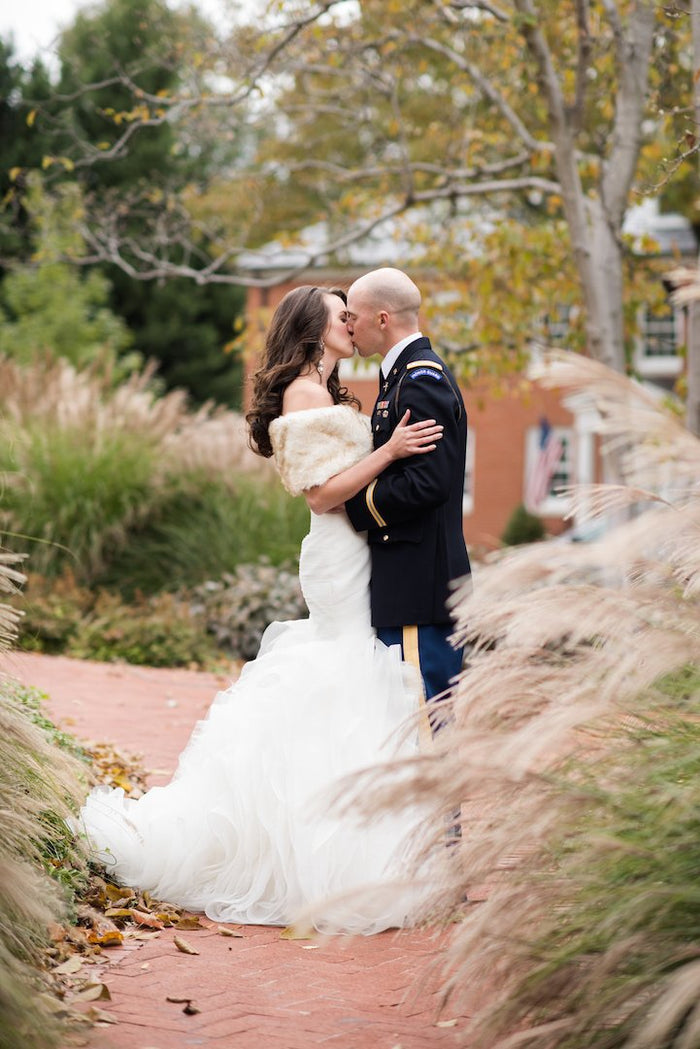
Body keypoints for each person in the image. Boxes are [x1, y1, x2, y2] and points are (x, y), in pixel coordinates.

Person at [77, 285, 443, 935]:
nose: (352, 323)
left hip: (358, 550)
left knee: (352, 682)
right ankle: (320, 864)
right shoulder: (305, 391)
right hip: (339, 553)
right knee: (344, 672)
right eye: (341, 315)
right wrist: (390, 452)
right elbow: (322, 493)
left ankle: (355, 849)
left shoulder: (327, 392)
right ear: (313, 326)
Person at [344, 268, 471, 744]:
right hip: (408, 581)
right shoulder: (401, 376)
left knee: (423, 724)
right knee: (407, 725)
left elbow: (428, 482)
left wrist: (354, 507)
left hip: (420, 583)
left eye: (352, 316)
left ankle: (443, 824)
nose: (348, 325)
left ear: (381, 318)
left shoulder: (420, 380)